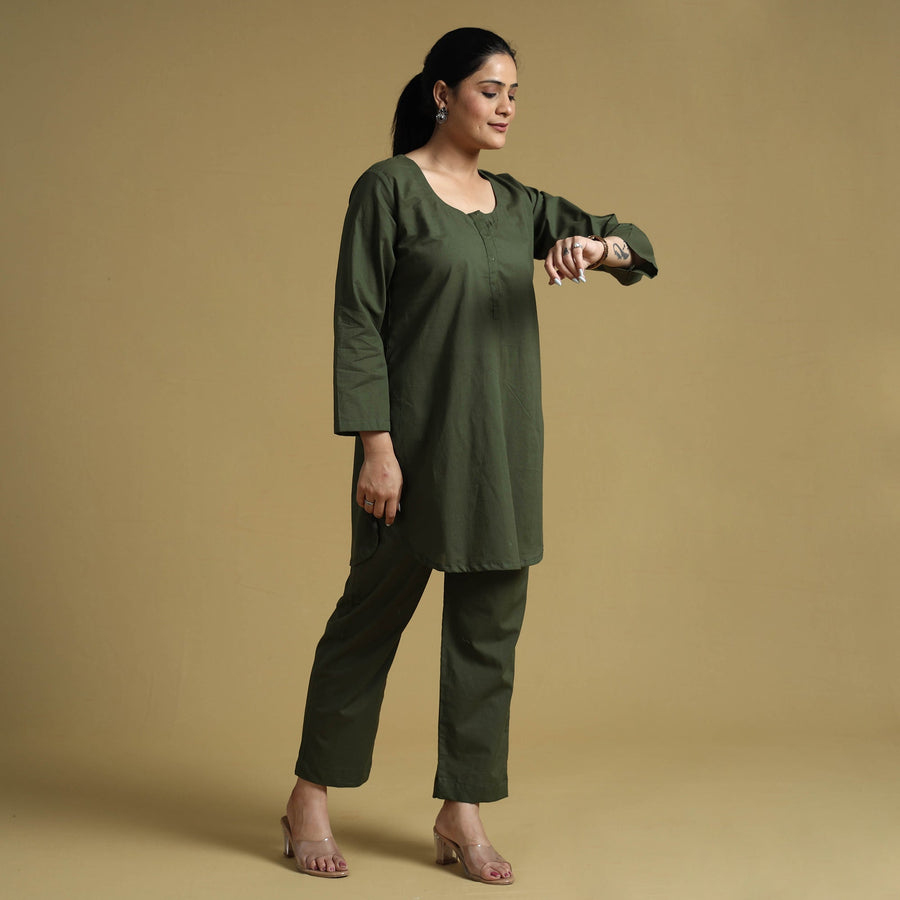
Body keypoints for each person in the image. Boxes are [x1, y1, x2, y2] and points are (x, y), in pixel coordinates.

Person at [281, 27, 658, 884]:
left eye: (515, 94)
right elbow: (357, 322)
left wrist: (597, 248)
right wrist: (375, 449)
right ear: (442, 93)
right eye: (491, 90)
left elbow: (633, 241)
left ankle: (464, 811)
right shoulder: (388, 190)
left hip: (503, 455)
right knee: (366, 625)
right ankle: (309, 796)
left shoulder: (520, 206)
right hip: (411, 451)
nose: (507, 108)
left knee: (489, 636)